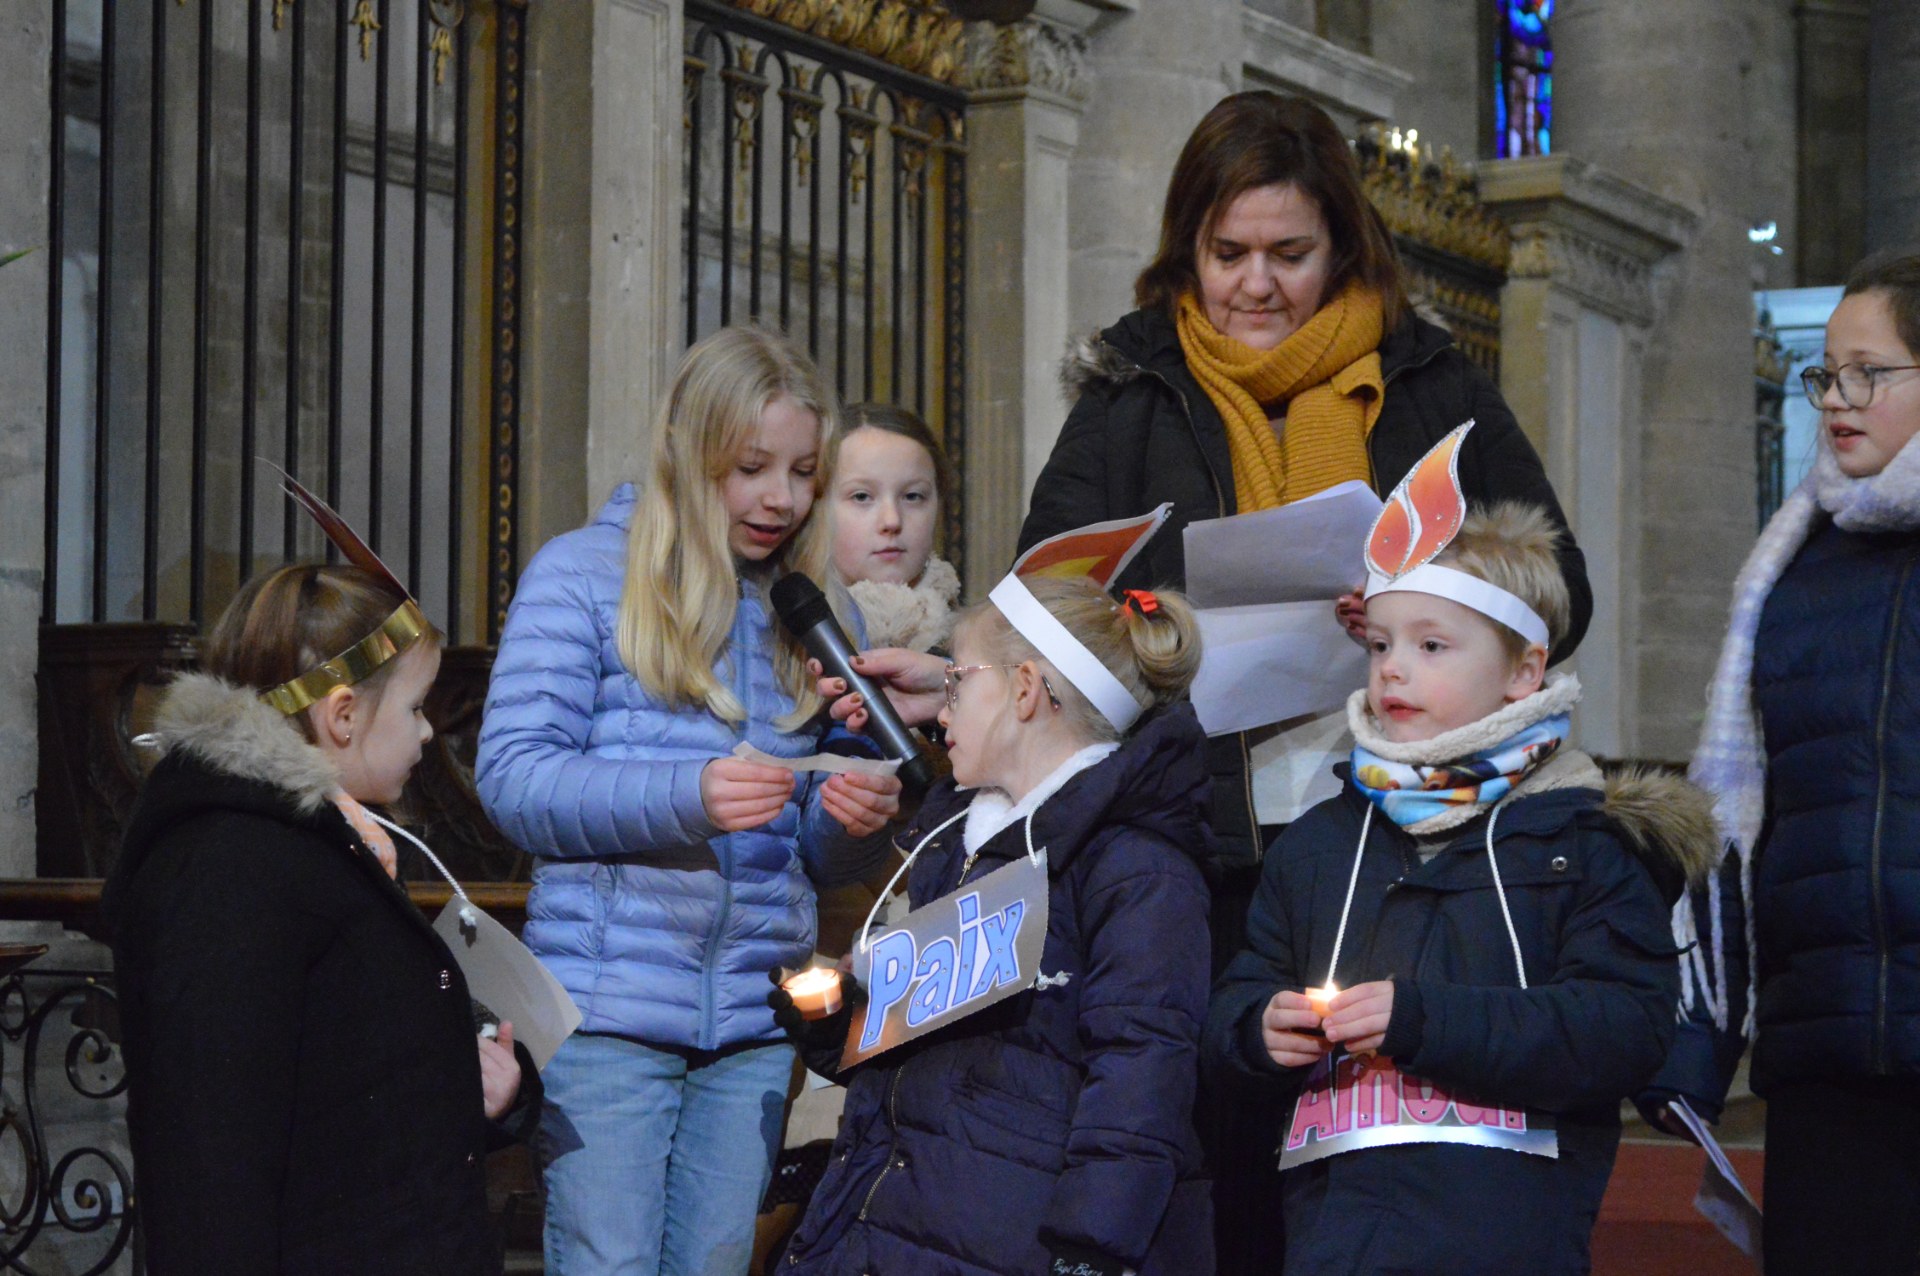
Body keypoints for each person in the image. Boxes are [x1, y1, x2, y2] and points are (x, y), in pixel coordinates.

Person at [1024, 89, 1590, 875]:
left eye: (1290, 255)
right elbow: (1046, 606)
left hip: (1412, 817)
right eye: (1229, 254)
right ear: (1188, 249)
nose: (1257, 285)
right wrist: (1161, 627)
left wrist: (1419, 602)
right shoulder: (1131, 393)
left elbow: (1560, 591)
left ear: (1343, 249)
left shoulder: (1432, 384)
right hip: (1182, 825)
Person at [475, 324, 902, 1276]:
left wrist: (848, 825)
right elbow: (512, 779)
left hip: (754, 1019)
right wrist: (690, 794)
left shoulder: (817, 612)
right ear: (687, 448)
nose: (780, 499)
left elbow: (823, 860)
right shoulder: (584, 576)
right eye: (749, 467)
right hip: (606, 1014)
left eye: (801, 471)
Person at [1205, 493, 1712, 1275]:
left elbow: (1621, 1030)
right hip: (1332, 1245)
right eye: (1379, 646)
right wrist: (1253, 1031)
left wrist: (1423, 1020)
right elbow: (1243, 994)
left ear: (1523, 671)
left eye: (1432, 645)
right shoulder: (1318, 845)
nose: (1393, 668)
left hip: (1505, 1242)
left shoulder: (1585, 843)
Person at [772, 573, 1215, 1276]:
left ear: (1025, 691)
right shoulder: (960, 845)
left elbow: (1142, 1075)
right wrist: (841, 1020)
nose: (940, 710)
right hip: (909, 1224)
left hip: (1021, 1239)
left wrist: (1090, 1250)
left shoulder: (1135, 870)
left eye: (957, 683)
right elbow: (926, 1046)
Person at [105, 563, 539, 1275]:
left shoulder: (315, 842)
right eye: (416, 708)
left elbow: (344, 1089)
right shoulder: (231, 865)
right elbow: (211, 1156)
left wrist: (479, 1090)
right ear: (342, 716)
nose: (428, 733)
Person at [1640, 250, 1920, 1275]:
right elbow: (1743, 811)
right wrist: (1696, 1041)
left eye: (1869, 372)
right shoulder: (1790, 567)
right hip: (1823, 1049)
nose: (1836, 398)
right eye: (1825, 374)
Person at [830, 402, 961, 653]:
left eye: (912, 496)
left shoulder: (976, 650)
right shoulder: (771, 635)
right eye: (861, 497)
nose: (892, 521)